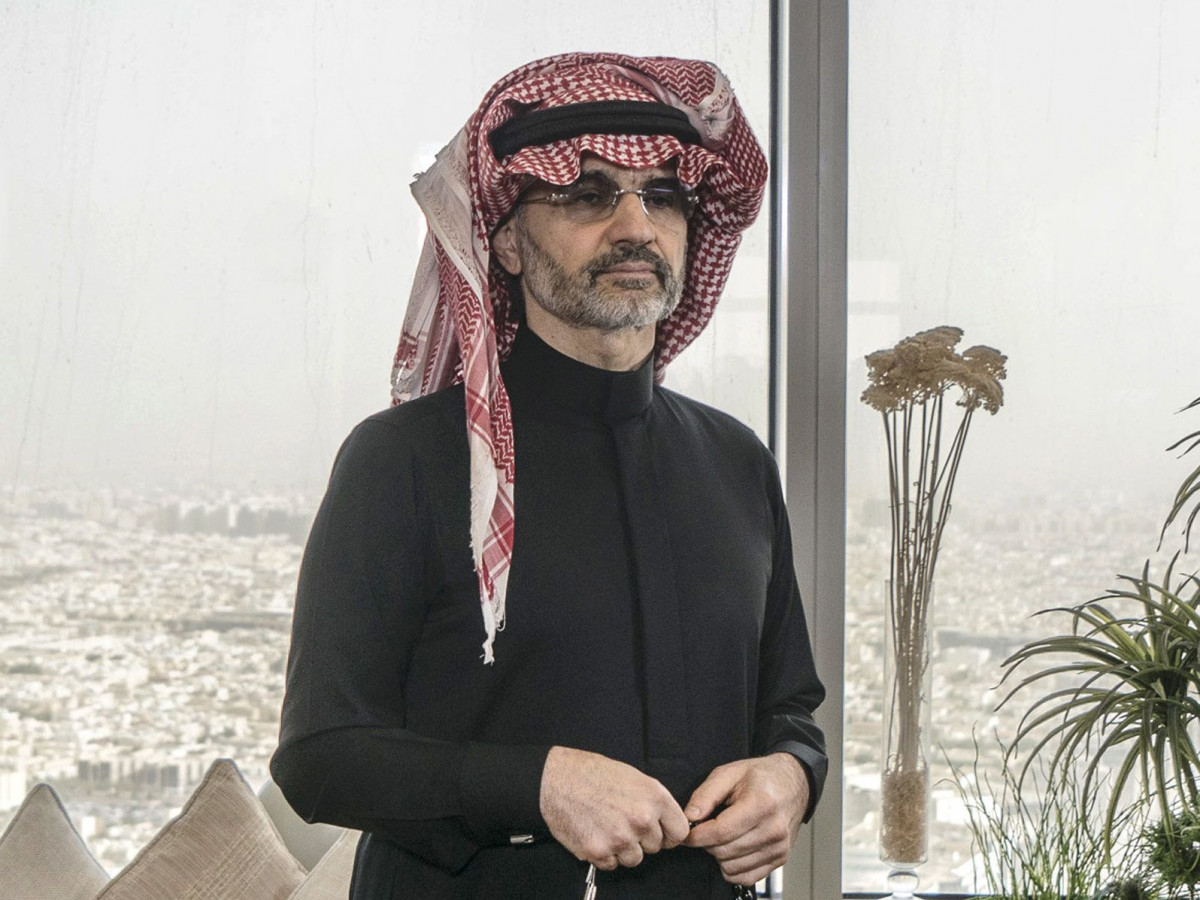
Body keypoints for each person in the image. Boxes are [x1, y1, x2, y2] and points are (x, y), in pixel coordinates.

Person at [271, 52, 827, 899]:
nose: (636, 226)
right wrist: (537, 784)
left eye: (663, 196)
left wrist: (791, 777)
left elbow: (791, 709)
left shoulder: (737, 461)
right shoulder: (406, 461)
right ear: (506, 241)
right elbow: (320, 757)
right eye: (586, 194)